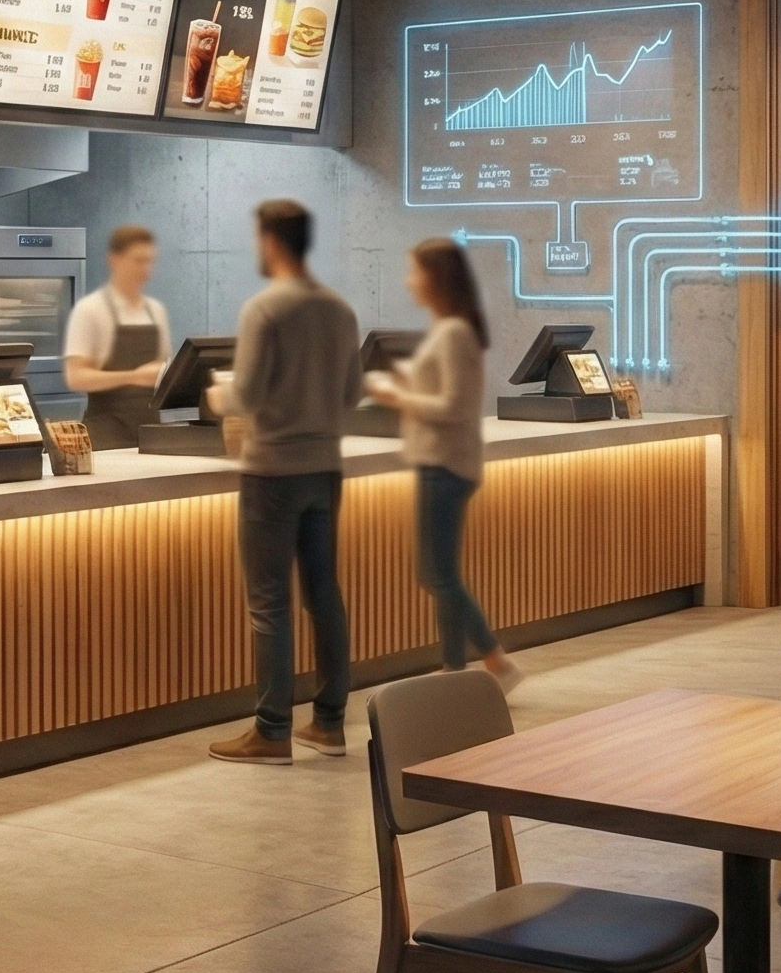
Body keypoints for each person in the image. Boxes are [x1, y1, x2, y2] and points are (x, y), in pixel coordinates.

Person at [204, 199, 362, 764]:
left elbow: (243, 397)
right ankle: (329, 723)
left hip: (271, 472)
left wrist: (213, 394)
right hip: (325, 469)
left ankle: (272, 730)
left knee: (268, 602)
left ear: (270, 241)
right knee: (325, 595)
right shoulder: (340, 310)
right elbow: (352, 396)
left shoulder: (264, 310)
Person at [366, 238, 521, 695]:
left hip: (445, 464)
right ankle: (454, 667)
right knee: (440, 572)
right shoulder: (450, 328)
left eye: (414, 271)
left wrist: (399, 397)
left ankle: (494, 660)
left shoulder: (453, 332)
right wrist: (405, 380)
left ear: (435, 278)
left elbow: (454, 405)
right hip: (445, 462)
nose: (407, 281)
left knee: (438, 575)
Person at [63, 224, 172, 450]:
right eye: (138, 260)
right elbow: (76, 377)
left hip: (151, 434)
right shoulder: (90, 309)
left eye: (150, 261)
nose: (146, 268)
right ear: (115, 259)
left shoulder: (156, 311)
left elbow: (162, 367)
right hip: (105, 436)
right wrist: (132, 376)